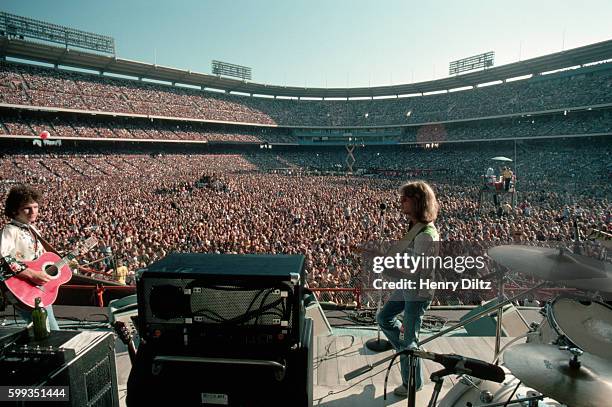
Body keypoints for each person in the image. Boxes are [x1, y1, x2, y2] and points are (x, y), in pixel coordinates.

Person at [376, 181, 439, 397]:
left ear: (418, 201)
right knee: (384, 318)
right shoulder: (416, 227)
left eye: (406, 198)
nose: (401, 202)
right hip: (407, 288)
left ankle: (412, 383)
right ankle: (403, 349)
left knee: (409, 342)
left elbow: (414, 271)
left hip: (417, 293)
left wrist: (387, 269)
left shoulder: (426, 235)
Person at [0, 185, 60, 330]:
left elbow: (39, 260)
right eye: (27, 208)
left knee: (44, 332)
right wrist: (32, 274)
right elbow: (2, 258)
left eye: (35, 207)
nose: (33, 212)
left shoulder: (32, 229)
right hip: (23, 288)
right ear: (15, 210)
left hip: (37, 287)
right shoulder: (10, 230)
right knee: (51, 331)